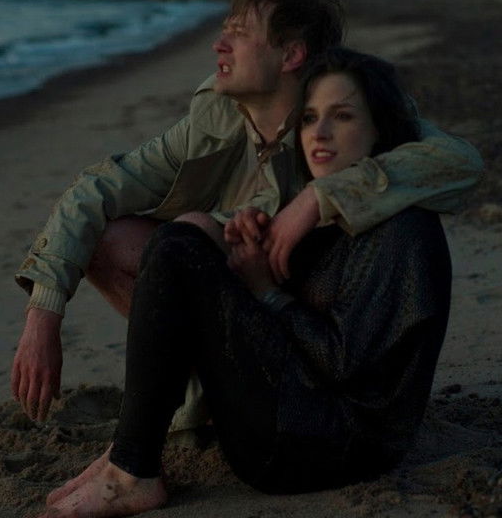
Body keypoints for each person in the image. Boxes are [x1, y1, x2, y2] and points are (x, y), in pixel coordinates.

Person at [10, 0, 482, 426]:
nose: (219, 44)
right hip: (247, 306)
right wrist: (44, 314)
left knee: (195, 231)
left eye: (238, 33)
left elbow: (458, 161)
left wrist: (320, 198)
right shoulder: (215, 119)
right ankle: (203, 398)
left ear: (290, 55)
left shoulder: (347, 112)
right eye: (224, 31)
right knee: (118, 239)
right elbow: (97, 188)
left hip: (327, 333)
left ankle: (273, 403)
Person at [41, 47, 454, 517]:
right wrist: (249, 254)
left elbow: (344, 364)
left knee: (178, 247)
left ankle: (132, 469)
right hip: (301, 419)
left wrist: (264, 291)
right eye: (309, 118)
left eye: (342, 116)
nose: (319, 133)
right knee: (186, 244)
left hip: (332, 448)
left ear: (381, 128)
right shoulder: (330, 212)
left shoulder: (403, 228)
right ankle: (130, 453)